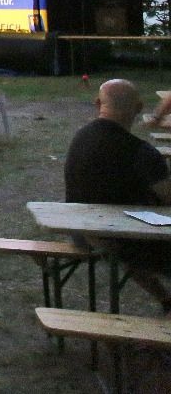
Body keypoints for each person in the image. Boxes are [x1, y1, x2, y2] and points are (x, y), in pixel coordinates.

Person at [64, 79, 171, 313]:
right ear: (139, 107)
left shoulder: (79, 138)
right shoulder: (142, 153)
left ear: (97, 103)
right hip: (132, 242)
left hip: (82, 233)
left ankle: (165, 299)